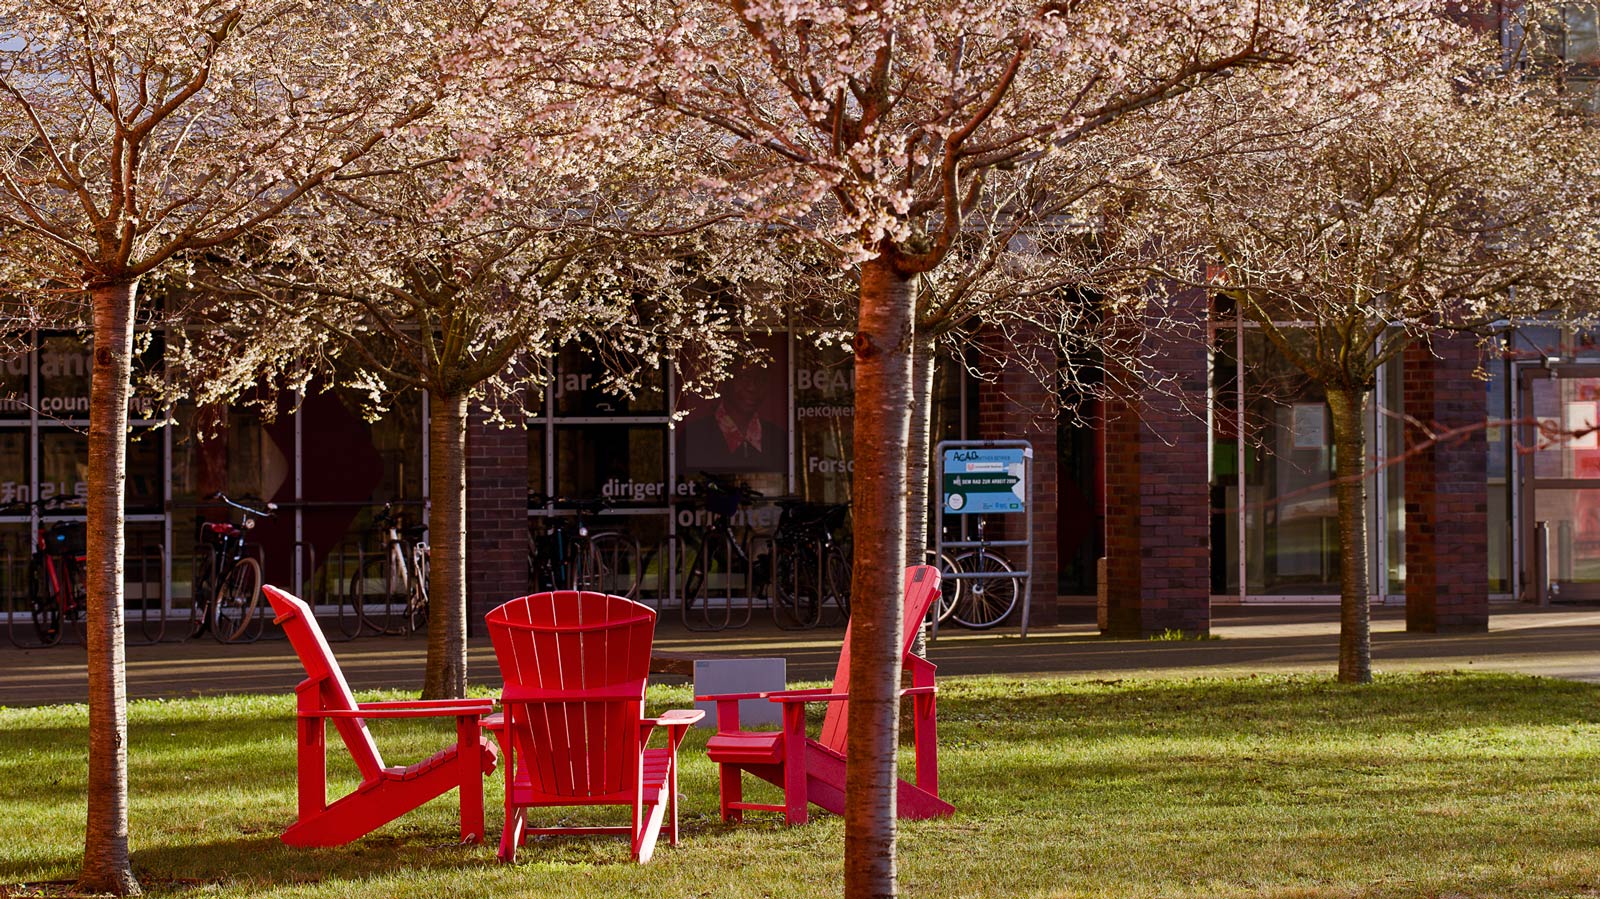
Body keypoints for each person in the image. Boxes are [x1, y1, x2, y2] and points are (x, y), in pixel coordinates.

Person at [681, 363, 786, 473]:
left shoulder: (778, 438)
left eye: (761, 379)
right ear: (724, 381)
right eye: (743, 377)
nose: (752, 387)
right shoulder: (694, 436)